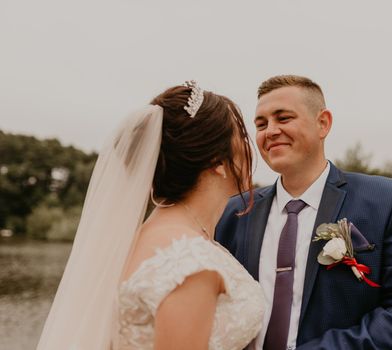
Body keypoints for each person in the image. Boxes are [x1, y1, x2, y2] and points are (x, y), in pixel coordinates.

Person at [216, 75, 392, 349]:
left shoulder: (386, 200)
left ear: (323, 123)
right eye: (261, 124)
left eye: (283, 118)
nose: (270, 131)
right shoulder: (234, 212)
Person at [37, 81, 265, 350]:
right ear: (217, 160)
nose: (252, 148)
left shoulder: (146, 237)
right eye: (242, 136)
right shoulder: (191, 264)